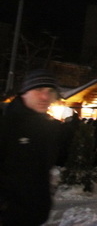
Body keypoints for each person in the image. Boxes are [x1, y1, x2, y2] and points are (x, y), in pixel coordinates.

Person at [0, 69, 63, 225]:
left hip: (35, 215)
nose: (45, 97)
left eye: (50, 91)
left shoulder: (47, 128)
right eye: (39, 89)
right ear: (24, 92)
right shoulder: (6, 124)